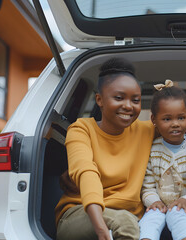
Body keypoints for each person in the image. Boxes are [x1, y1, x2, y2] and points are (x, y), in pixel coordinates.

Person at [54, 58, 155, 240]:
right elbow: (86, 172)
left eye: (136, 100)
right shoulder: (81, 129)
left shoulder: (146, 131)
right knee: (124, 221)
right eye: (119, 97)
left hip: (129, 219)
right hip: (80, 214)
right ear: (99, 100)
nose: (128, 106)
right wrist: (101, 228)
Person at [139, 80, 186, 240]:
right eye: (167, 119)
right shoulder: (153, 149)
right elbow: (147, 187)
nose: (175, 124)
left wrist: (185, 200)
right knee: (152, 216)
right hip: (161, 210)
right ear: (154, 120)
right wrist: (154, 202)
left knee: (177, 213)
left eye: (181, 118)